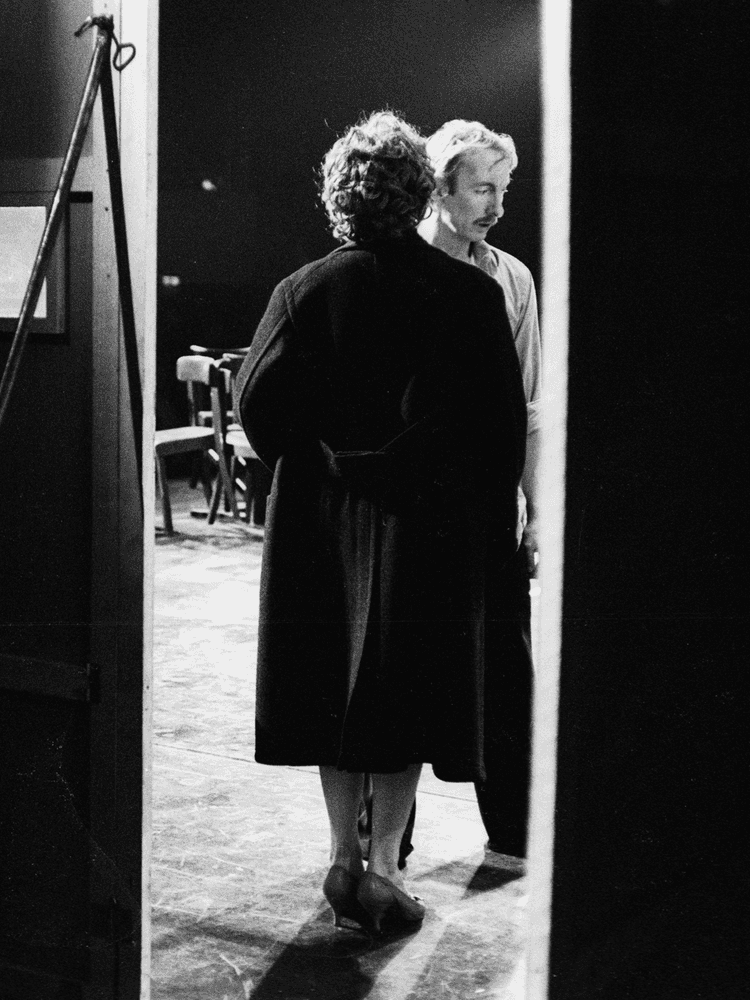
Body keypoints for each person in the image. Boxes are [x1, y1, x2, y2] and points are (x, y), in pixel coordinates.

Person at [232, 111, 526, 935]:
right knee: (404, 697)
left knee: (333, 689)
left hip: (321, 529)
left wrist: (321, 454)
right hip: (427, 527)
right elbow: (501, 428)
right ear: (419, 191)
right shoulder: (471, 294)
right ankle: (388, 867)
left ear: (339, 198)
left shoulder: (305, 290)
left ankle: (340, 857)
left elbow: (258, 411)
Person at [418, 117, 542, 858]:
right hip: (417, 503)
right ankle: (383, 849)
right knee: (402, 667)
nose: (497, 204)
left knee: (504, 670)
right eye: (482, 188)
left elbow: (528, 407)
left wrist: (533, 514)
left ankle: (516, 831)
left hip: (491, 506)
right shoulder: (393, 269)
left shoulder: (511, 277)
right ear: (440, 187)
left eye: (505, 188)